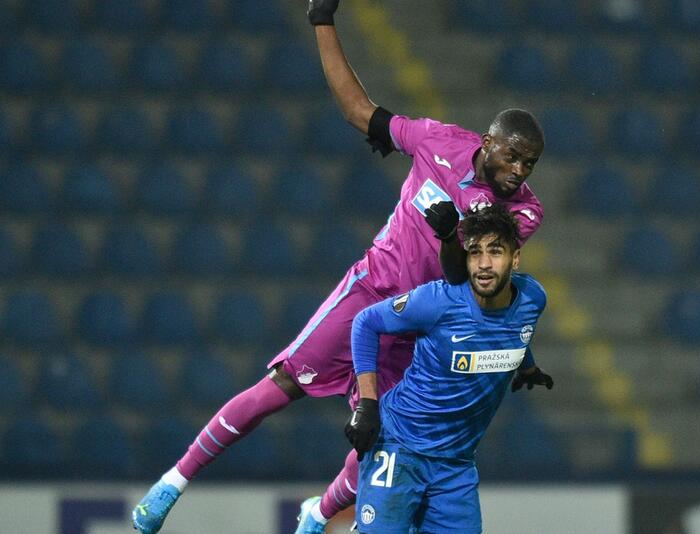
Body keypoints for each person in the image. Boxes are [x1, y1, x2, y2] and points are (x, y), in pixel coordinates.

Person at [131, 0, 547, 532]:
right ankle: (173, 481)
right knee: (279, 386)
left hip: (420, 327)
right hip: (372, 290)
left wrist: (452, 235)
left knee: (381, 436)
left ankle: (319, 512)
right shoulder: (438, 141)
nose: (518, 171)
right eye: (511, 157)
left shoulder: (523, 212)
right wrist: (323, 22)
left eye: (528, 164)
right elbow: (359, 111)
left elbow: (467, 278)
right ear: (487, 142)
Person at [345, 204, 554, 533]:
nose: (484, 264)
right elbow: (365, 323)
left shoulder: (532, 298)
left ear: (515, 259)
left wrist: (526, 366)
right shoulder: (439, 302)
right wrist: (367, 405)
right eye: (475, 253)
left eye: (495, 252)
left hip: (456, 464)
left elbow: (517, 332)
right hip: (400, 445)